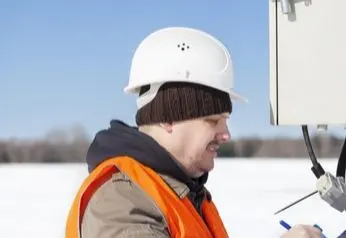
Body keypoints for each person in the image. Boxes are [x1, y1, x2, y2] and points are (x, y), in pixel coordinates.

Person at [65, 26, 323, 238]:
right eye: (213, 121)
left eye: (225, 120)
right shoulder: (122, 200)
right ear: (168, 119)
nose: (226, 134)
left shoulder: (180, 192)